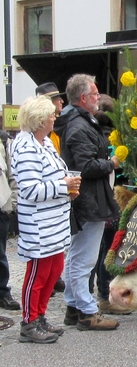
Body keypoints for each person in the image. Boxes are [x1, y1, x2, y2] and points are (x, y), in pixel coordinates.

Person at [10, 96, 81, 343]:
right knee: (37, 274)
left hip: (55, 221)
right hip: (40, 224)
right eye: (51, 114)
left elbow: (54, 178)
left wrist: (68, 188)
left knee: (54, 271)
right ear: (40, 119)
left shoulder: (46, 143)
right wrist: (63, 186)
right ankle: (29, 323)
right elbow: (29, 190)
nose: (55, 117)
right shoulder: (26, 147)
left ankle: (39, 316)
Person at [57, 74, 123, 331]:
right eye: (95, 94)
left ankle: (74, 306)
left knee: (78, 256)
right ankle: (86, 311)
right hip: (89, 199)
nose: (98, 97)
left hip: (87, 197)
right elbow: (85, 166)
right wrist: (112, 163)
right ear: (83, 98)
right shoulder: (79, 125)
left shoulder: (79, 120)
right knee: (84, 258)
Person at [35, 82, 67, 294]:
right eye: (56, 99)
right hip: (44, 209)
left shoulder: (58, 130)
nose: (61, 102)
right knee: (40, 269)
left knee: (58, 257)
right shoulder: (35, 139)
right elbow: (31, 187)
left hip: (60, 199)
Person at [0, 130, 20, 311]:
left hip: (1, 207)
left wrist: (11, 204)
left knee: (1, 254)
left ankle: (3, 293)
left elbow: (11, 175)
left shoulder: (3, 141)